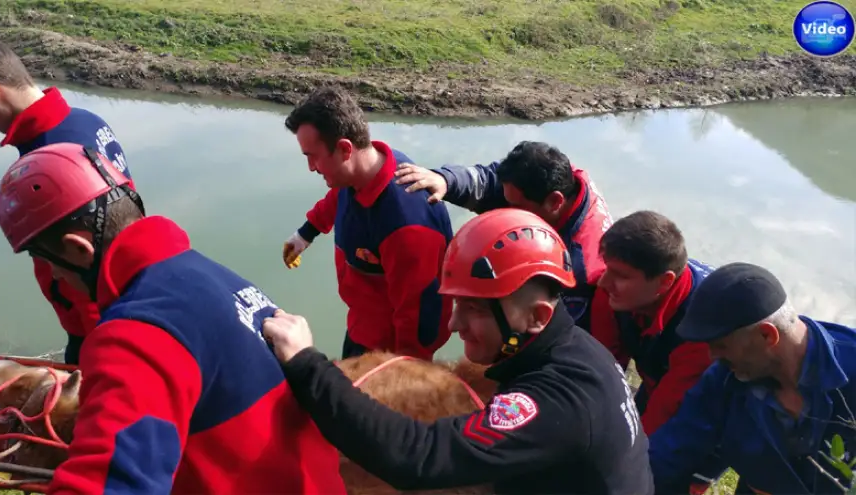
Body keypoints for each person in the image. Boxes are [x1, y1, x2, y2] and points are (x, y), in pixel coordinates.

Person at [0, 143, 345, 494]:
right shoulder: (208, 275)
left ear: (78, 249)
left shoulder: (136, 334)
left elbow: (109, 486)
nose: (53, 274)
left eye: (43, 258)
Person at [263, 208, 654, 495]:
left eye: (474, 309)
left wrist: (306, 363)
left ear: (535, 316)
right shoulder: (577, 350)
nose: (452, 325)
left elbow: (418, 458)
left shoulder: (557, 401)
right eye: (455, 304)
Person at [0, 31, 130, 365]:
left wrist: (96, 346)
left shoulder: (49, 160)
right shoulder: (85, 121)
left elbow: (90, 254)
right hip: (118, 308)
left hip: (98, 324)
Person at [649, 261, 856, 495]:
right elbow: (670, 451)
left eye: (721, 346)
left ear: (767, 335)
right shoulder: (723, 382)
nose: (712, 356)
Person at [281, 85, 454, 361]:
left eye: (312, 156)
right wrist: (305, 234)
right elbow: (337, 197)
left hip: (386, 352)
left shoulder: (408, 224)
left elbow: (422, 317)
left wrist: (405, 377)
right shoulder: (357, 175)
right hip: (363, 326)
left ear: (344, 149)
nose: (311, 167)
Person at [393, 141, 612, 330]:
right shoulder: (558, 178)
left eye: (515, 207)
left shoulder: (585, 267)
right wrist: (446, 180)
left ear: (555, 202)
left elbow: (569, 335)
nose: (507, 212)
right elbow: (489, 181)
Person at [589, 210, 727, 494]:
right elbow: (601, 367)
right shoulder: (612, 291)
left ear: (664, 282)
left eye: (620, 275)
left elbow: (667, 409)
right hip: (657, 382)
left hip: (713, 416)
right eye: (607, 268)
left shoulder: (703, 330)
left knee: (662, 479)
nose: (603, 283)